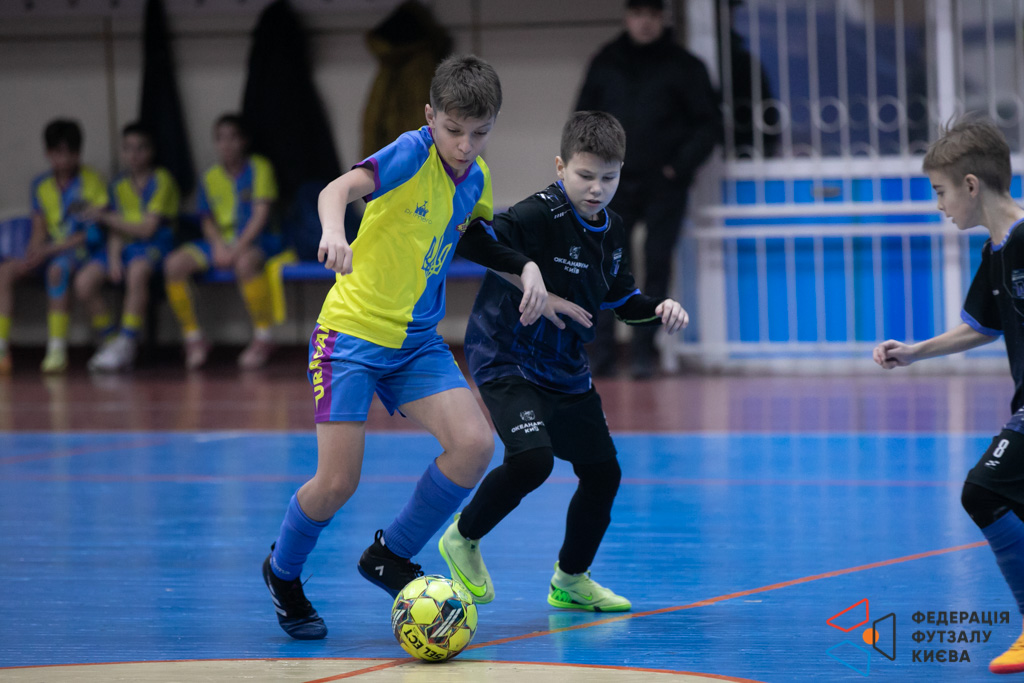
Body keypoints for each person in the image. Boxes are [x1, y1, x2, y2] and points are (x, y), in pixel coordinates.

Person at [261, 54, 552, 640]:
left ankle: (389, 555)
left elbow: (474, 236)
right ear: (429, 117)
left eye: (479, 133)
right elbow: (338, 189)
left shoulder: (476, 177)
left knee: (473, 445)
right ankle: (283, 572)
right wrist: (334, 231)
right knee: (337, 483)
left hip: (416, 342)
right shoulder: (411, 153)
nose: (465, 145)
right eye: (453, 130)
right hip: (352, 334)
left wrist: (526, 268)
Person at [438, 111, 688, 612]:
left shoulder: (613, 230)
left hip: (565, 368)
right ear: (561, 167)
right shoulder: (537, 214)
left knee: (603, 474)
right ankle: (462, 537)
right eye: (585, 175)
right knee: (533, 460)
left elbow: (623, 300)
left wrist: (659, 308)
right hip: (505, 355)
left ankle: (570, 581)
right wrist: (528, 269)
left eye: (608, 178)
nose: (597, 189)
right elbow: (471, 239)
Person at [872, 116, 1024, 675]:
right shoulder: (996, 251)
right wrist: (915, 352)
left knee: (983, 491)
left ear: (971, 185)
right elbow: (983, 326)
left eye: (940, 192)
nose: (938, 205)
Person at [576, 0, 719, 378]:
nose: (645, 23)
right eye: (638, 14)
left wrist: (678, 168)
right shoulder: (606, 61)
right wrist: (592, 172)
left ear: (663, 19)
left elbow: (708, 124)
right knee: (606, 265)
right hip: (612, 182)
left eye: (652, 15)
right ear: (628, 17)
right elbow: (583, 118)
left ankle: (644, 352)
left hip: (663, 185)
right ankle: (602, 353)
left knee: (656, 264)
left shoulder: (685, 66)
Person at [163, 113, 280, 370]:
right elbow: (207, 220)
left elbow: (260, 215)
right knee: (173, 264)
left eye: (233, 137)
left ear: (244, 141)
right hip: (220, 243)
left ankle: (264, 337)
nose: (227, 144)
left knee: (246, 264)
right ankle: (194, 338)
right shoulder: (210, 177)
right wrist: (218, 247)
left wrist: (236, 249)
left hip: (257, 241)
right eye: (220, 138)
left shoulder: (260, 168)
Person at [0, 119, 108, 374]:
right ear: (48, 154)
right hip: (49, 250)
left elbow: (90, 233)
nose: (65, 159)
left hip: (81, 251)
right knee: (5, 271)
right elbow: (39, 226)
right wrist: (34, 251)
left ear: (79, 153)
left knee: (56, 271)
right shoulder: (40, 184)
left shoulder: (91, 182)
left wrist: (49, 251)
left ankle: (56, 350)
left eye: (71, 152)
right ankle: (1, 347)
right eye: (58, 153)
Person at [74, 122, 180, 372]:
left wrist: (105, 217)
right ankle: (112, 340)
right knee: (84, 282)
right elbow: (115, 230)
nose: (134, 154)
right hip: (123, 246)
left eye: (141, 148)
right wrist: (113, 258)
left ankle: (128, 340)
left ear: (151, 151)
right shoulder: (118, 185)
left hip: (155, 244)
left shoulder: (162, 180)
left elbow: (147, 229)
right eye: (128, 148)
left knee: (137, 271)